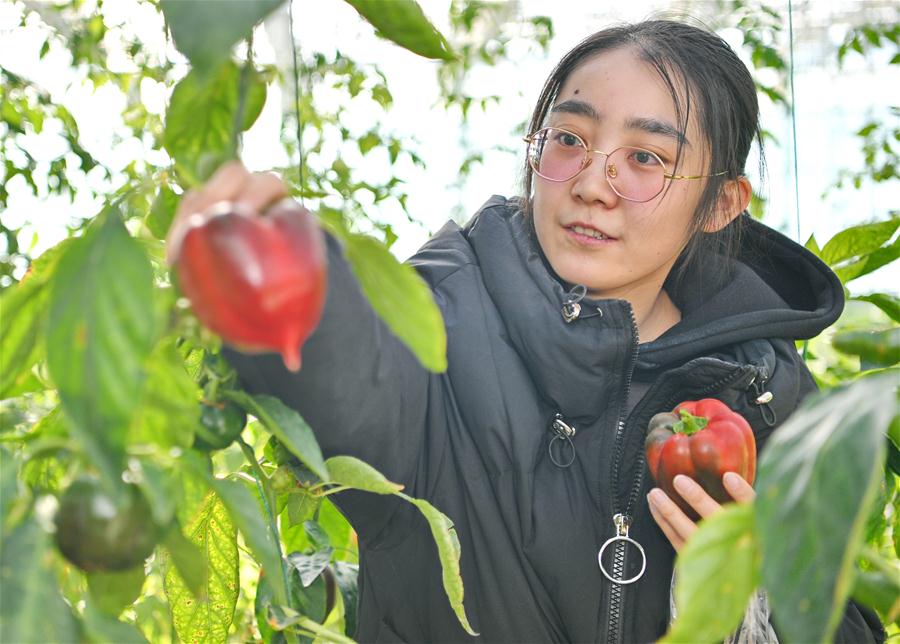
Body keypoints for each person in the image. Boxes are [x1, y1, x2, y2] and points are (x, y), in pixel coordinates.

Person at [169, 19, 885, 644]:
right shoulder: (440, 326)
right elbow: (341, 375)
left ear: (720, 203)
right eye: (569, 139)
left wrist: (766, 588)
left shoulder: (768, 389)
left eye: (645, 158)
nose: (591, 183)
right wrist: (271, 262)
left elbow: (849, 624)